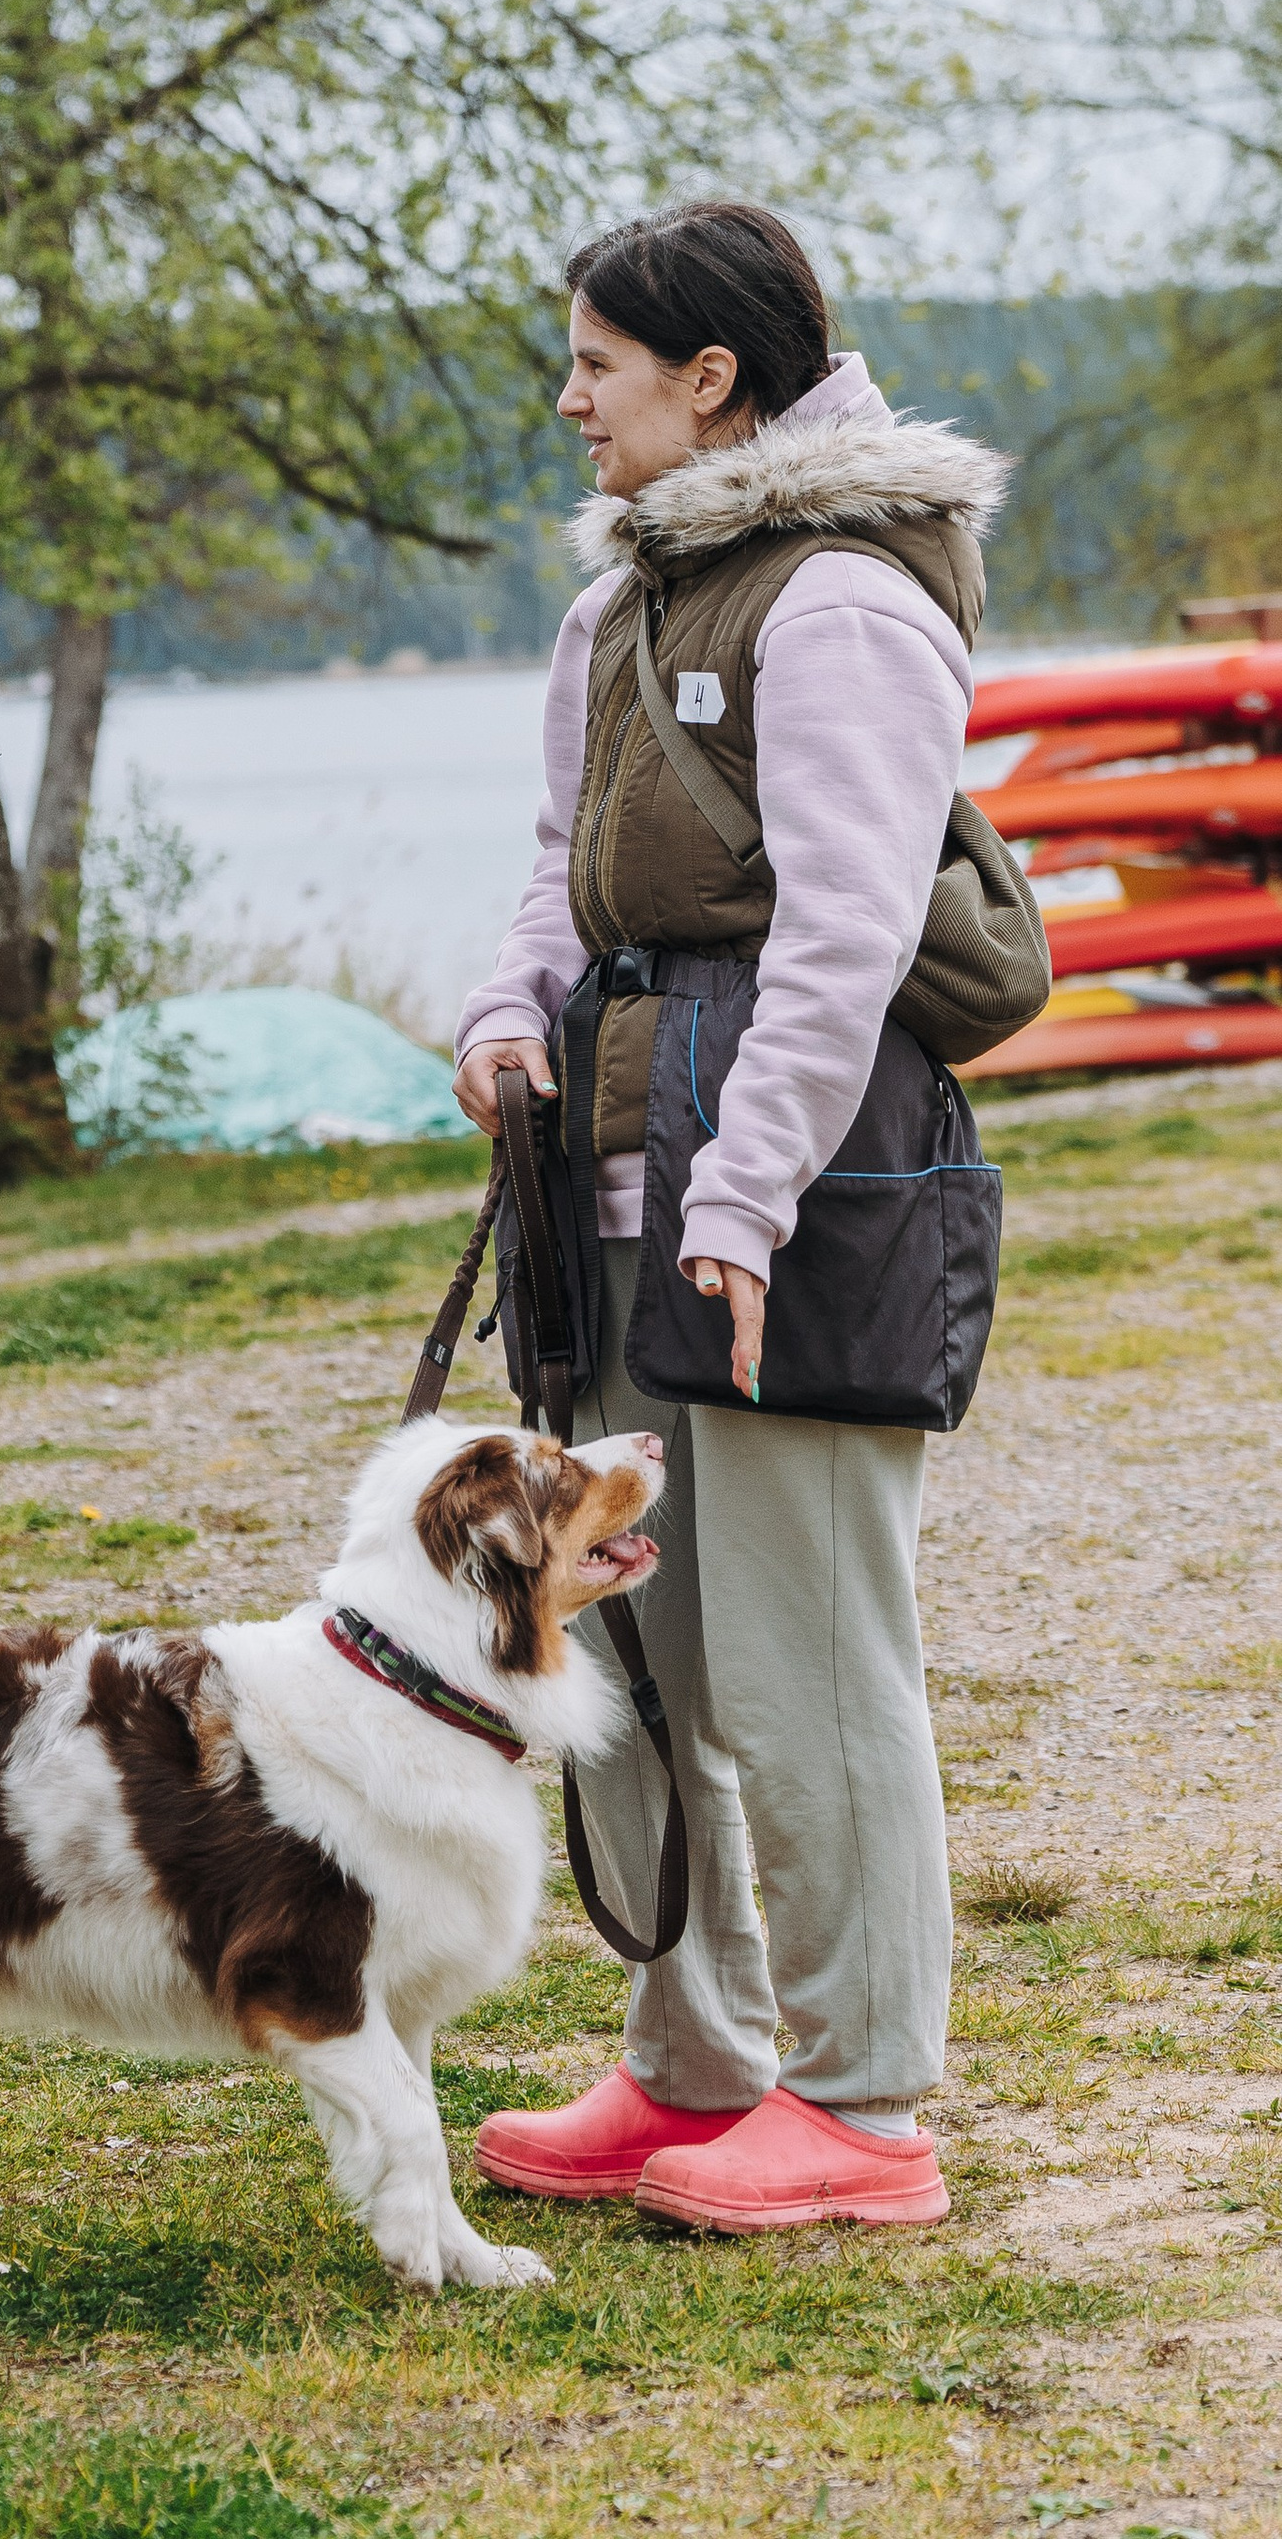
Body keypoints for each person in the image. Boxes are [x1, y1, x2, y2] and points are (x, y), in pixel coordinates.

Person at [455, 199, 1005, 2235]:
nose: (567, 396)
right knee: (628, 1653)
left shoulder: (841, 599)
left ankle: (864, 2107)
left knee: (802, 1662)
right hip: (603, 1180)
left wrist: (749, 1196)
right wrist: (506, 1008)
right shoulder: (618, 607)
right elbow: (555, 870)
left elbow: (848, 929)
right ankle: (691, 2057)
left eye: (594, 360)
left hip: (795, 1184)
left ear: (709, 377)